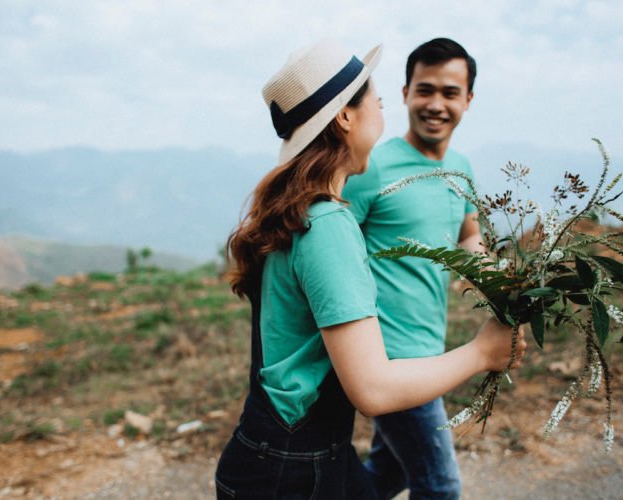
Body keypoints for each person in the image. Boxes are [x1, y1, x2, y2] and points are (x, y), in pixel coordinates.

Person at [215, 39, 525, 499]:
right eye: (376, 101)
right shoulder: (328, 225)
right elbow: (374, 390)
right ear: (346, 117)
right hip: (290, 471)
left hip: (302, 454)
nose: (382, 111)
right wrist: (482, 353)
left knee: (385, 476)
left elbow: (467, 235)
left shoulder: (306, 213)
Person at [342, 37, 482, 499]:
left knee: (389, 474)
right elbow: (336, 246)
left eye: (449, 92)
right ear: (404, 93)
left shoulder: (461, 169)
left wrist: (502, 283)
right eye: (425, 90)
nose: (436, 104)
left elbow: (468, 235)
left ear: (468, 100)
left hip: (430, 353)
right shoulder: (373, 167)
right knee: (440, 487)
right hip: (389, 359)